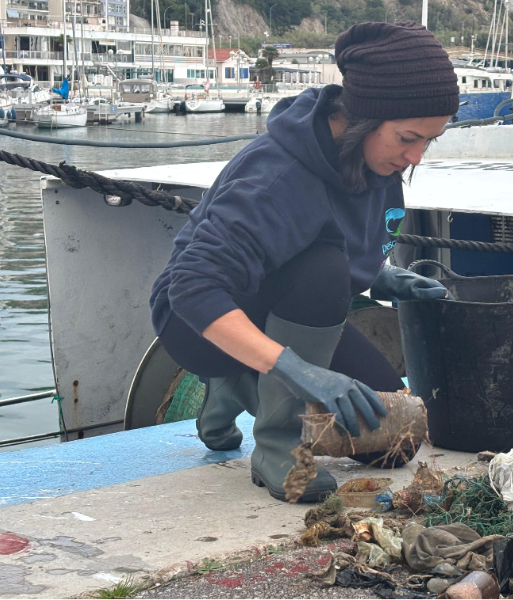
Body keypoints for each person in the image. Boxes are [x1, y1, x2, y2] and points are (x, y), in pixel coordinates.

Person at [150, 22, 460, 502]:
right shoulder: (276, 176)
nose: (416, 156)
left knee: (393, 442)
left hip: (287, 310)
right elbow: (192, 286)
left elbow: (340, 234)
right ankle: (278, 446)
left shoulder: (377, 157)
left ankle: (235, 389)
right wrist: (296, 369)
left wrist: (384, 277)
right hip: (197, 326)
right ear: (364, 118)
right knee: (322, 269)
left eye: (429, 141)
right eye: (407, 138)